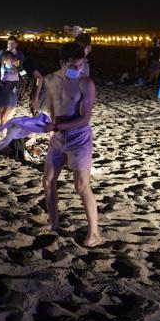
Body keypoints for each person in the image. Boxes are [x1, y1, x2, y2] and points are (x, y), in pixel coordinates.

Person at [42, 42, 103, 247]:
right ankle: (53, 223)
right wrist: (43, 124)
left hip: (79, 138)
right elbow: (51, 106)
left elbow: (84, 118)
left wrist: (56, 126)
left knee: (81, 185)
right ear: (62, 62)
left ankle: (95, 233)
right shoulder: (50, 80)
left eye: (81, 65)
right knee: (48, 180)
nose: (78, 69)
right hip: (58, 137)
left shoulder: (86, 83)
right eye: (73, 66)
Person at [0, 51, 21, 147]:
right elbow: (22, 81)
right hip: (13, 96)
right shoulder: (17, 70)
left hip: (3, 94)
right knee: (4, 118)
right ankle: (4, 140)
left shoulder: (6, 67)